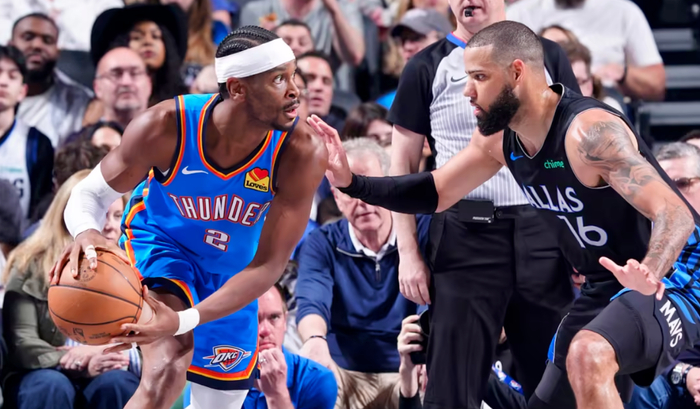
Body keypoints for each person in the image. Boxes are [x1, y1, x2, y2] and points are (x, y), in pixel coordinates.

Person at [308, 20, 700, 409]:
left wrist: (649, 272)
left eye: (479, 77)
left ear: (516, 73)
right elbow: (437, 191)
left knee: (588, 354)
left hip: (675, 277)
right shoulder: (501, 139)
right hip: (605, 284)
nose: (467, 91)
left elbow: (676, 213)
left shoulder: (590, 134)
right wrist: (351, 182)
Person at [51, 26, 326, 409]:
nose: (296, 90)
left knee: (221, 403)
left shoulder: (302, 151)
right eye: (279, 79)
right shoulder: (166, 126)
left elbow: (268, 265)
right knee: (169, 364)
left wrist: (187, 319)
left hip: (236, 271)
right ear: (237, 89)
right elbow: (90, 193)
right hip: (164, 245)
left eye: (294, 75)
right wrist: (86, 231)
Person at [384, 0, 579, 406]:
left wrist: (579, 240)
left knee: (558, 381)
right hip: (464, 235)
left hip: (543, 232)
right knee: (452, 387)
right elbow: (401, 166)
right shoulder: (426, 65)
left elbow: (571, 147)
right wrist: (408, 253)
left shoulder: (546, 55)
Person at [3, 170, 140, 409]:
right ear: (70, 216)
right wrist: (74, 360)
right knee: (51, 385)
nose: (110, 226)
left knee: (118, 384)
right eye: (101, 215)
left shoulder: (138, 265)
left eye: (118, 215)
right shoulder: (29, 263)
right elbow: (21, 341)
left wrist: (120, 355)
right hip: (45, 371)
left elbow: (157, 338)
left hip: (109, 367)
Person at [9, 13, 93, 147]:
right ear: (10, 44)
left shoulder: (79, 102)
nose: (37, 45)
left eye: (47, 41)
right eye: (28, 37)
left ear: (57, 51)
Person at [0, 45, 54, 224]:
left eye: (12, 76)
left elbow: (39, 214)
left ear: (22, 91)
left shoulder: (38, 143)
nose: (3, 81)